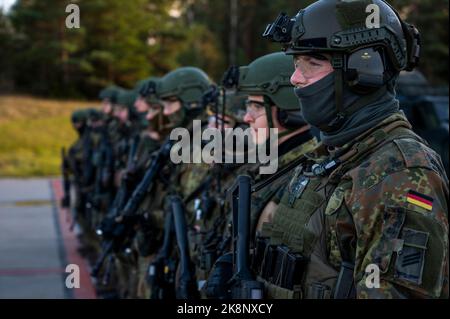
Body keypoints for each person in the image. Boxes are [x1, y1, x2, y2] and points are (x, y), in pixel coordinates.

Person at [249, 0, 448, 298]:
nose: (295, 78)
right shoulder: (330, 156)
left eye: (312, 64)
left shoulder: (399, 173)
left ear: (364, 72)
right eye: (295, 63)